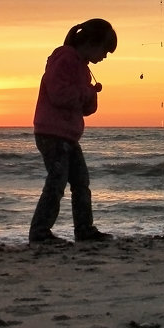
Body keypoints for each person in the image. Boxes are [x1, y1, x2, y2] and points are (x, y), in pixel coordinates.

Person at [28, 18, 117, 244]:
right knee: (57, 182)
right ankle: (39, 232)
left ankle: (84, 229)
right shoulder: (65, 59)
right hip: (52, 133)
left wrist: (90, 96)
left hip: (67, 134)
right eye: (104, 51)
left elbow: (85, 108)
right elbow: (59, 94)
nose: (104, 57)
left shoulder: (83, 69)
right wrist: (85, 93)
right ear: (92, 42)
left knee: (80, 182)